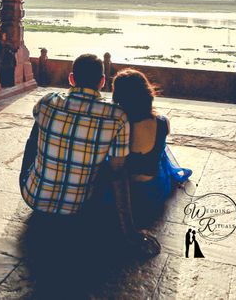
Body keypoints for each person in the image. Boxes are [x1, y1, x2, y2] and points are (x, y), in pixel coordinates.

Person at [19, 54, 160, 256]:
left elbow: (36, 139)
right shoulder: (117, 117)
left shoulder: (47, 102)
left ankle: (43, 181)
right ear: (102, 82)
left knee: (38, 131)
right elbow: (118, 173)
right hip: (79, 208)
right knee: (102, 155)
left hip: (34, 198)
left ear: (71, 79)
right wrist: (129, 231)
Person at [110, 68, 192, 222]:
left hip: (122, 194)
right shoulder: (163, 122)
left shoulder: (115, 123)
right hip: (153, 191)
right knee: (161, 150)